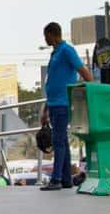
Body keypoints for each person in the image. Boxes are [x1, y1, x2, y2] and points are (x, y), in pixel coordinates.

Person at [40, 21, 94, 192]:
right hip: (54, 103)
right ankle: (65, 179)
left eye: (46, 35)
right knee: (61, 140)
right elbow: (53, 81)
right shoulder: (55, 53)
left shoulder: (66, 50)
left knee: (58, 140)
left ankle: (56, 178)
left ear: (52, 34)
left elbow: (82, 70)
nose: (45, 39)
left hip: (63, 103)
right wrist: (46, 108)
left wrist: (93, 88)